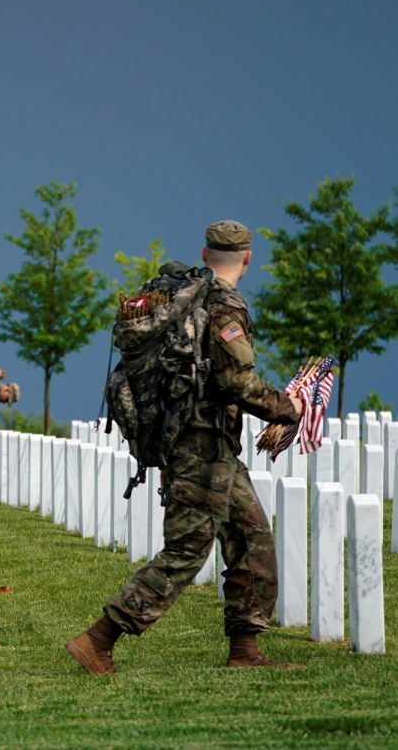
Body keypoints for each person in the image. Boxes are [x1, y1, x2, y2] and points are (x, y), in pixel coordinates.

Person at [65, 221, 304, 675]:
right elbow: (236, 382)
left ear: (204, 252)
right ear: (248, 258)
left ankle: (245, 651)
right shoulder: (222, 307)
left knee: (252, 541)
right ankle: (99, 638)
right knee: (187, 550)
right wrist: (284, 406)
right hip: (200, 448)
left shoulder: (190, 298)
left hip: (211, 448)